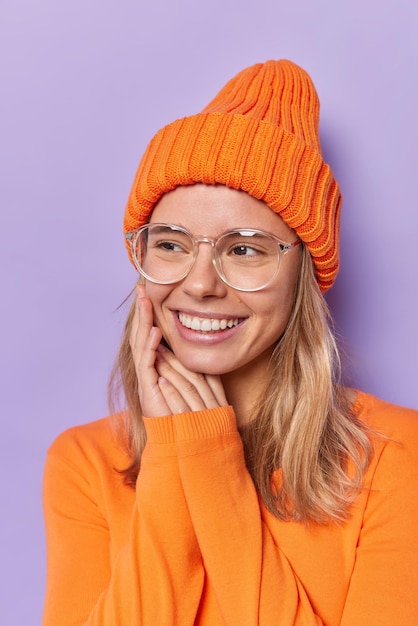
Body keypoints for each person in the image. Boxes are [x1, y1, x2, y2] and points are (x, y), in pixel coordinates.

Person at [42, 60, 418, 625]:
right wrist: (173, 453)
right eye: (170, 244)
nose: (198, 283)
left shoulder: (398, 458)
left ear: (304, 275)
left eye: (245, 249)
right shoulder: (86, 463)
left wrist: (210, 463)